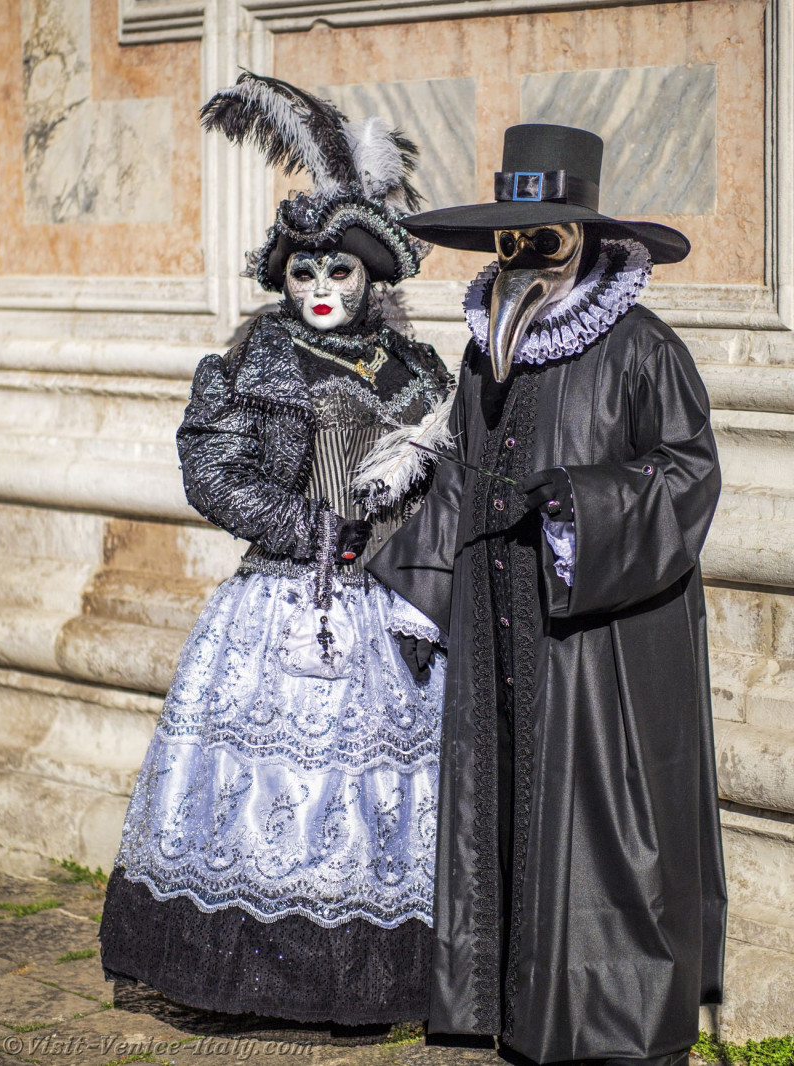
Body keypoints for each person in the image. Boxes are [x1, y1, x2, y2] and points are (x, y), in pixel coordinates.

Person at [99, 74, 454, 1031]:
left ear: (372, 277)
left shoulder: (421, 372)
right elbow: (210, 469)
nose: (322, 290)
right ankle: (256, 978)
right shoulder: (250, 362)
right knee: (272, 789)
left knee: (377, 788)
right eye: (305, 273)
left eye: (340, 272)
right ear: (283, 279)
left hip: (394, 606)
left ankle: (370, 978)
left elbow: (449, 475)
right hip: (281, 603)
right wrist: (307, 527)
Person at [368, 123, 727, 1065]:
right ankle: (499, 1000)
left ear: (588, 236)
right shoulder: (493, 343)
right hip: (496, 623)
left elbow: (689, 476)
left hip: (595, 637)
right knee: (501, 799)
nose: (524, 255)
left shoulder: (644, 347)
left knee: (600, 819)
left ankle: (602, 1015)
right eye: (509, 237)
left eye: (546, 236)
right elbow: (456, 471)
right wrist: (421, 588)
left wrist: (577, 506)